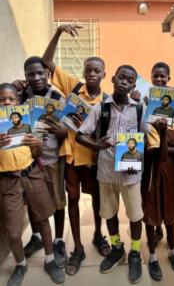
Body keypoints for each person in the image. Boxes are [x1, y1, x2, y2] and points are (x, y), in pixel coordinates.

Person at [41, 24, 111, 276]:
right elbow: (46, 61)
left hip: (93, 159)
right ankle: (78, 247)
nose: (91, 74)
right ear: (83, 72)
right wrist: (58, 31)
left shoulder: (107, 101)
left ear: (104, 75)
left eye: (97, 71)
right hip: (71, 158)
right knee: (72, 199)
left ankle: (97, 234)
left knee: (96, 199)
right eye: (88, 70)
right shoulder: (72, 86)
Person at [75, 64, 152, 284]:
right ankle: (118, 248)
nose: (124, 82)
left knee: (135, 215)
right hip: (107, 172)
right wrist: (95, 146)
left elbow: (147, 135)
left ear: (134, 85)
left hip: (131, 175)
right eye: (121, 78)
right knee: (109, 213)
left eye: (129, 80)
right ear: (113, 80)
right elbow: (80, 135)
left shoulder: (138, 108)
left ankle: (135, 252)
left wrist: (137, 156)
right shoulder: (101, 109)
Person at [0, 83, 65, 286]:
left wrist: (37, 145)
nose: (7, 102)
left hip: (32, 174)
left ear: (18, 101)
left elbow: (36, 154)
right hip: (8, 180)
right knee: (13, 231)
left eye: (11, 99)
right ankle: (20, 264)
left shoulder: (28, 119)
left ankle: (50, 259)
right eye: (2, 99)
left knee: (44, 218)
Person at [12, 56, 68, 269]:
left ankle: (59, 240)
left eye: (40, 73)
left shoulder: (58, 98)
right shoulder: (22, 97)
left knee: (57, 200)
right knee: (33, 201)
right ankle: (36, 236)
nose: (35, 78)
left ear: (48, 74)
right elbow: (8, 115)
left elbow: (69, 129)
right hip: (29, 161)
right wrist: (17, 90)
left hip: (52, 158)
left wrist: (63, 131)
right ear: (25, 76)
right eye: (30, 74)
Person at [131, 62, 174, 255]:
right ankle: (156, 232)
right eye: (155, 76)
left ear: (168, 79)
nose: (159, 79)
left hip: (171, 159)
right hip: (150, 157)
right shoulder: (145, 97)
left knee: (170, 198)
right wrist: (134, 101)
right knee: (152, 197)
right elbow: (137, 122)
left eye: (162, 77)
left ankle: (171, 240)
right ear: (151, 77)